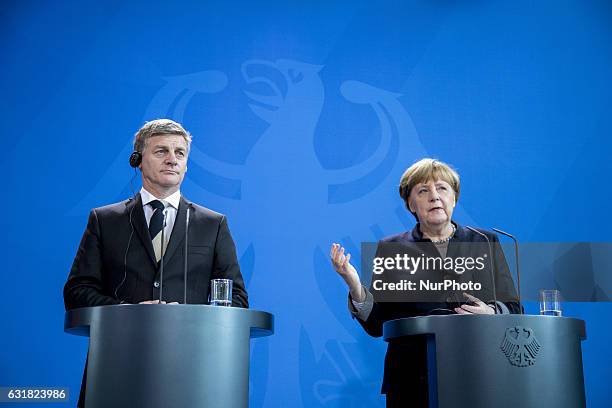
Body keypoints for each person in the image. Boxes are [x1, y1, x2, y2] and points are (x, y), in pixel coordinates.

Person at [64, 119, 248, 406]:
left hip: (193, 371)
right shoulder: (105, 220)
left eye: (180, 153)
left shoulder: (213, 224)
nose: (172, 160)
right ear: (137, 160)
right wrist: (129, 312)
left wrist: (189, 316)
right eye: (161, 151)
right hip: (118, 365)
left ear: (186, 165)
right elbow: (77, 292)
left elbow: (237, 299)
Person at [330, 158, 519, 408]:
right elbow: (378, 323)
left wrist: (491, 312)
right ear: (410, 204)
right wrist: (354, 285)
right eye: (423, 190)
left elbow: (514, 309)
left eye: (442, 188)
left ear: (454, 198)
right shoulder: (392, 249)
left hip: (478, 372)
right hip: (412, 378)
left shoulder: (484, 241)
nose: (434, 197)